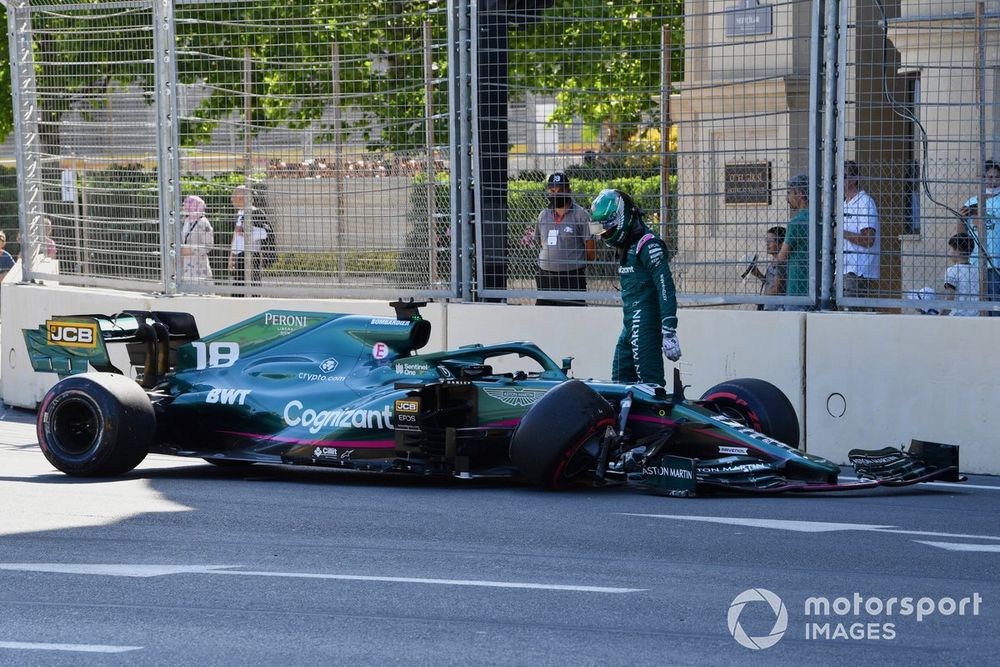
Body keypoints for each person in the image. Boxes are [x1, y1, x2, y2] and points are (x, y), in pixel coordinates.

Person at [590, 188, 680, 386]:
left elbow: (666, 286)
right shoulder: (627, 245)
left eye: (608, 228)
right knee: (620, 380)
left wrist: (669, 329)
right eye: (601, 230)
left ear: (623, 218)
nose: (605, 234)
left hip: (645, 321)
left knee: (650, 385)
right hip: (630, 322)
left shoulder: (648, 245)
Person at [527, 172, 595, 306]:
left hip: (572, 279)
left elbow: (591, 252)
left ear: (568, 191)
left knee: (573, 319)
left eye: (560, 190)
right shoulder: (543, 215)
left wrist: (572, 264)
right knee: (545, 319)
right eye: (552, 191)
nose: (556, 194)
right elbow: (542, 244)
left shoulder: (581, 215)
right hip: (544, 278)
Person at [958, 160, 1000, 314]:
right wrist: (961, 218)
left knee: (995, 308)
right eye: (989, 178)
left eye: (997, 177)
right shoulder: (972, 201)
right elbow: (962, 234)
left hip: (995, 263)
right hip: (975, 262)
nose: (993, 182)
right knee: (976, 309)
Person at [841, 161, 880, 300]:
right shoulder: (843, 204)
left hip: (858, 272)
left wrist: (841, 233)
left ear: (855, 179)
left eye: (844, 176)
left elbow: (869, 240)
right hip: (842, 269)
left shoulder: (864, 202)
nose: (840, 179)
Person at [776, 174, 811, 306]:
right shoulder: (820, 219)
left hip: (797, 288)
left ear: (800, 194)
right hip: (819, 287)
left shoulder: (796, 222)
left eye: (789, 193)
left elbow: (782, 257)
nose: (787, 198)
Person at [228, 185, 269, 294]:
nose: (231, 198)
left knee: (252, 286)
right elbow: (236, 236)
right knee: (238, 287)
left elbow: (265, 233)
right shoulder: (240, 213)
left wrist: (247, 234)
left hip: (251, 255)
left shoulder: (256, 213)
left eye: (234, 195)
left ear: (242, 197)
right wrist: (232, 256)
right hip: (239, 255)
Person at [746, 226, 786, 310]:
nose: (767, 244)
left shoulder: (781, 264)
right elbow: (770, 282)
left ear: (781, 244)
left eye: (770, 241)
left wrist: (761, 299)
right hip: (769, 306)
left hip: (776, 309)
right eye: (766, 241)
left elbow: (776, 288)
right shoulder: (774, 262)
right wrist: (759, 275)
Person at [180, 195, 214, 286]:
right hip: (185, 266)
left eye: (189, 203)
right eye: (185, 202)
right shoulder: (185, 221)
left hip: (199, 267)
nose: (185, 205)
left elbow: (208, 246)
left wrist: (191, 250)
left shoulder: (203, 222)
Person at [942, 232, 979, 317]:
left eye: (950, 249)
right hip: (976, 316)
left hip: (957, 316)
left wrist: (941, 315)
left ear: (957, 251)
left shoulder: (952, 270)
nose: (949, 252)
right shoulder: (977, 270)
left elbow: (949, 296)